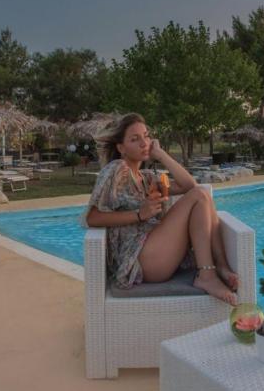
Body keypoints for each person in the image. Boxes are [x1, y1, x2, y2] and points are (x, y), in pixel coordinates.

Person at [83, 113, 238, 305]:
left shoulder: (147, 178)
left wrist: (161, 154)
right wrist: (140, 214)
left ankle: (220, 266)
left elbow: (188, 185)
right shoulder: (115, 169)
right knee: (199, 196)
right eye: (135, 139)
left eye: (146, 136)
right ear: (121, 148)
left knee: (202, 195)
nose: (144, 143)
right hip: (140, 260)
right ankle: (207, 276)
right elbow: (92, 217)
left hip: (157, 249)